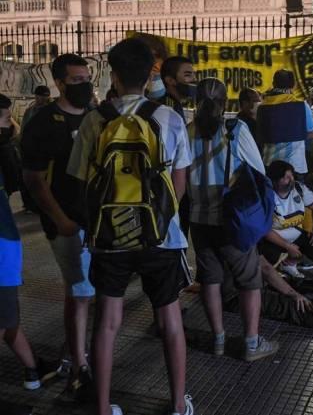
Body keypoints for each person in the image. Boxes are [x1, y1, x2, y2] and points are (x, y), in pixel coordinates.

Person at [67, 38, 193, 415]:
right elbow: (181, 183)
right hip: (161, 236)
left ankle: (104, 408)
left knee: (107, 323)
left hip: (109, 237)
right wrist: (160, 217)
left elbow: (80, 181)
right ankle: (176, 405)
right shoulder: (168, 118)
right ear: (151, 74)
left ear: (115, 75)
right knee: (170, 320)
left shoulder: (94, 119)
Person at [187, 77, 279, 361]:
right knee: (249, 280)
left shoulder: (187, 131)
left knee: (210, 280)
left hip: (198, 220)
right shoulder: (234, 129)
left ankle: (218, 339)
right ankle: (251, 343)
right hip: (232, 221)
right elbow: (259, 171)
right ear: (225, 102)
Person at [21, 54, 94, 399]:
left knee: (82, 292)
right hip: (65, 222)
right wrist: (60, 220)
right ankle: (79, 368)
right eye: (76, 80)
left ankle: (74, 353)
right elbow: (34, 180)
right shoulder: (43, 121)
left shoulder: (95, 117)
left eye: (87, 78)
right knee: (80, 293)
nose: (85, 85)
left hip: (93, 221)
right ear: (60, 83)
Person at [1, 136, 43, 392]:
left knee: (7, 318)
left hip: (5, 256)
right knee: (7, 318)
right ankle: (32, 370)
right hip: (6, 255)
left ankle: (33, 370)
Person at [258, 160, 313, 278]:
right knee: (270, 254)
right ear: (275, 180)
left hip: (297, 236)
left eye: (291, 175)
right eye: (286, 177)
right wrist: (287, 246)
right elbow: (265, 230)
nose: (291, 179)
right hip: (273, 241)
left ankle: (289, 263)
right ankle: (274, 270)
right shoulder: (267, 196)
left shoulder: (299, 189)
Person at [158, 56, 196, 240]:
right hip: (171, 190)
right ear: (170, 80)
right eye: (187, 75)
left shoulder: (175, 106)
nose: (193, 80)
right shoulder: (167, 109)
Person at [257, 69, 313, 178]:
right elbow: (312, 133)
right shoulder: (302, 106)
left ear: (274, 84)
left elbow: (260, 136)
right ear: (293, 85)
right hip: (294, 167)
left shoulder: (261, 108)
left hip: (269, 165)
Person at [237, 87, 263, 154]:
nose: (259, 104)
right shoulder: (241, 124)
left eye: (260, 101)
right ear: (245, 103)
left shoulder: (257, 121)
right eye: (256, 101)